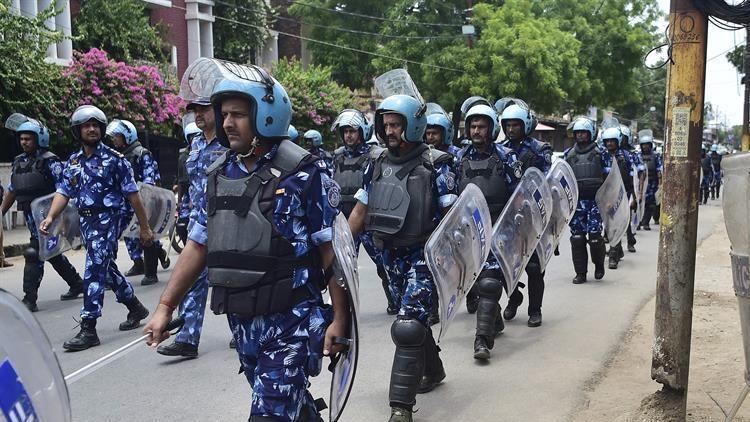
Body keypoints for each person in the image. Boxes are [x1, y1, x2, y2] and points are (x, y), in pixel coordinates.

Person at [144, 64, 350, 421]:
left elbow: (331, 252)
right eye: (224, 114)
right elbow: (198, 246)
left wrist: (341, 318)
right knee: (292, 407)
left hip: (293, 322)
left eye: (238, 115)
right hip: (243, 323)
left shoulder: (304, 172)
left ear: (266, 115)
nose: (226, 123)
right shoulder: (218, 174)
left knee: (268, 415)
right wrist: (165, 306)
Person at [347, 93, 457, 422]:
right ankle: (433, 370)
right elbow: (360, 209)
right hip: (389, 255)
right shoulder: (377, 162)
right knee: (413, 322)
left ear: (414, 125)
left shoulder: (438, 164)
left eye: (396, 124)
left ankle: (400, 407)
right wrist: (337, 250)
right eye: (386, 124)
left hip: (424, 254)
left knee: (408, 326)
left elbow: (454, 215)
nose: (390, 130)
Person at [39, 105, 154, 351]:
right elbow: (64, 191)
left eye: (95, 125)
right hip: (86, 221)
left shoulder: (116, 160)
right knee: (106, 268)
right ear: (77, 130)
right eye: (86, 125)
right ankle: (135, 306)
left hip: (108, 220)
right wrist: (50, 217)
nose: (91, 129)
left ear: (101, 129)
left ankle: (88, 327)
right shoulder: (73, 161)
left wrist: (144, 228)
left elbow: (134, 197)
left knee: (93, 269)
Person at [156, 97, 228, 358]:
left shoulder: (229, 143)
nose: (198, 114)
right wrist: (183, 213)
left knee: (230, 278)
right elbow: (189, 185)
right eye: (195, 110)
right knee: (192, 280)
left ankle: (241, 331)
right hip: (199, 222)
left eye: (204, 109)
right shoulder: (195, 145)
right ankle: (187, 338)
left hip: (226, 222)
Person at [454, 102, 521, 360]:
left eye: (481, 126)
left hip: (497, 228)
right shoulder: (458, 158)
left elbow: (518, 196)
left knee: (490, 283)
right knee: (475, 282)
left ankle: (482, 341)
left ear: (491, 129)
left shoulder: (506, 157)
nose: (476, 130)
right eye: (472, 126)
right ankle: (495, 319)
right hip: (467, 229)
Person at [0, 117, 83, 311]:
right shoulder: (19, 162)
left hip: (49, 218)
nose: (24, 142)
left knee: (33, 254)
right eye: (22, 139)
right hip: (31, 218)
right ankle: (77, 283)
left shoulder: (50, 161)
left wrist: (66, 220)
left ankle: (29, 299)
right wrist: (1, 211)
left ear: (39, 139)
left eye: (28, 138)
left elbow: (63, 190)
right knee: (50, 254)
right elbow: (13, 189)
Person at [331, 109, 397, 315]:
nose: (349, 135)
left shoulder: (374, 155)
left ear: (362, 131)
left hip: (368, 219)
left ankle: (396, 300)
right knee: (343, 264)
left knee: (383, 263)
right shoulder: (337, 156)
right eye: (345, 131)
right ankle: (345, 308)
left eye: (352, 131)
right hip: (344, 219)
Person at [499, 103, 552, 327]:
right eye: (508, 125)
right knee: (504, 265)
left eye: (516, 125)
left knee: (533, 268)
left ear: (526, 125)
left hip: (533, 217)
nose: (511, 129)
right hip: (508, 217)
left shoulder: (540, 150)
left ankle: (535, 310)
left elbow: (547, 181)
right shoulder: (500, 149)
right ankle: (514, 297)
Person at [107, 119, 170, 285]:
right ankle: (138, 263)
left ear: (127, 136)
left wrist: (145, 202)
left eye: (117, 136)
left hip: (141, 202)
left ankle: (151, 272)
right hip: (124, 204)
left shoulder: (142, 154)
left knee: (145, 235)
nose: (114, 140)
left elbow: (149, 181)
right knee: (127, 235)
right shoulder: (119, 156)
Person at [564, 117, 608, 284]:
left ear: (591, 133)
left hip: (596, 202)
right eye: (578, 133)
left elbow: (611, 178)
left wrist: (609, 201)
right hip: (576, 203)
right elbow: (562, 179)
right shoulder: (568, 155)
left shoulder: (601, 153)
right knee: (577, 238)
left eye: (584, 132)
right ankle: (581, 273)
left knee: (595, 236)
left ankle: (599, 265)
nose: (580, 135)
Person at [601, 126, 636, 270]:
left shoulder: (627, 156)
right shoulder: (601, 156)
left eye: (612, 141)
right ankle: (618, 249)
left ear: (618, 141)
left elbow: (636, 179)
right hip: (607, 196)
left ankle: (613, 256)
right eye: (607, 141)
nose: (609, 144)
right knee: (610, 224)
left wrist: (635, 197)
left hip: (623, 194)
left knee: (617, 223)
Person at [618, 124, 644, 252]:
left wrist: (638, 193)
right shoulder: (610, 152)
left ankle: (630, 241)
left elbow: (640, 173)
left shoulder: (633, 154)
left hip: (629, 189)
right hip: (614, 189)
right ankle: (614, 244)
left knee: (627, 216)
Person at [638, 131, 662, 230]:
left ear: (650, 145)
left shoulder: (656, 156)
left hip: (652, 183)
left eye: (647, 145)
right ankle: (638, 222)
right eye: (643, 145)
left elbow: (659, 169)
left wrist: (660, 184)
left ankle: (646, 222)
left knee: (650, 204)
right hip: (640, 183)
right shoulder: (638, 156)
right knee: (639, 203)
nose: (645, 147)